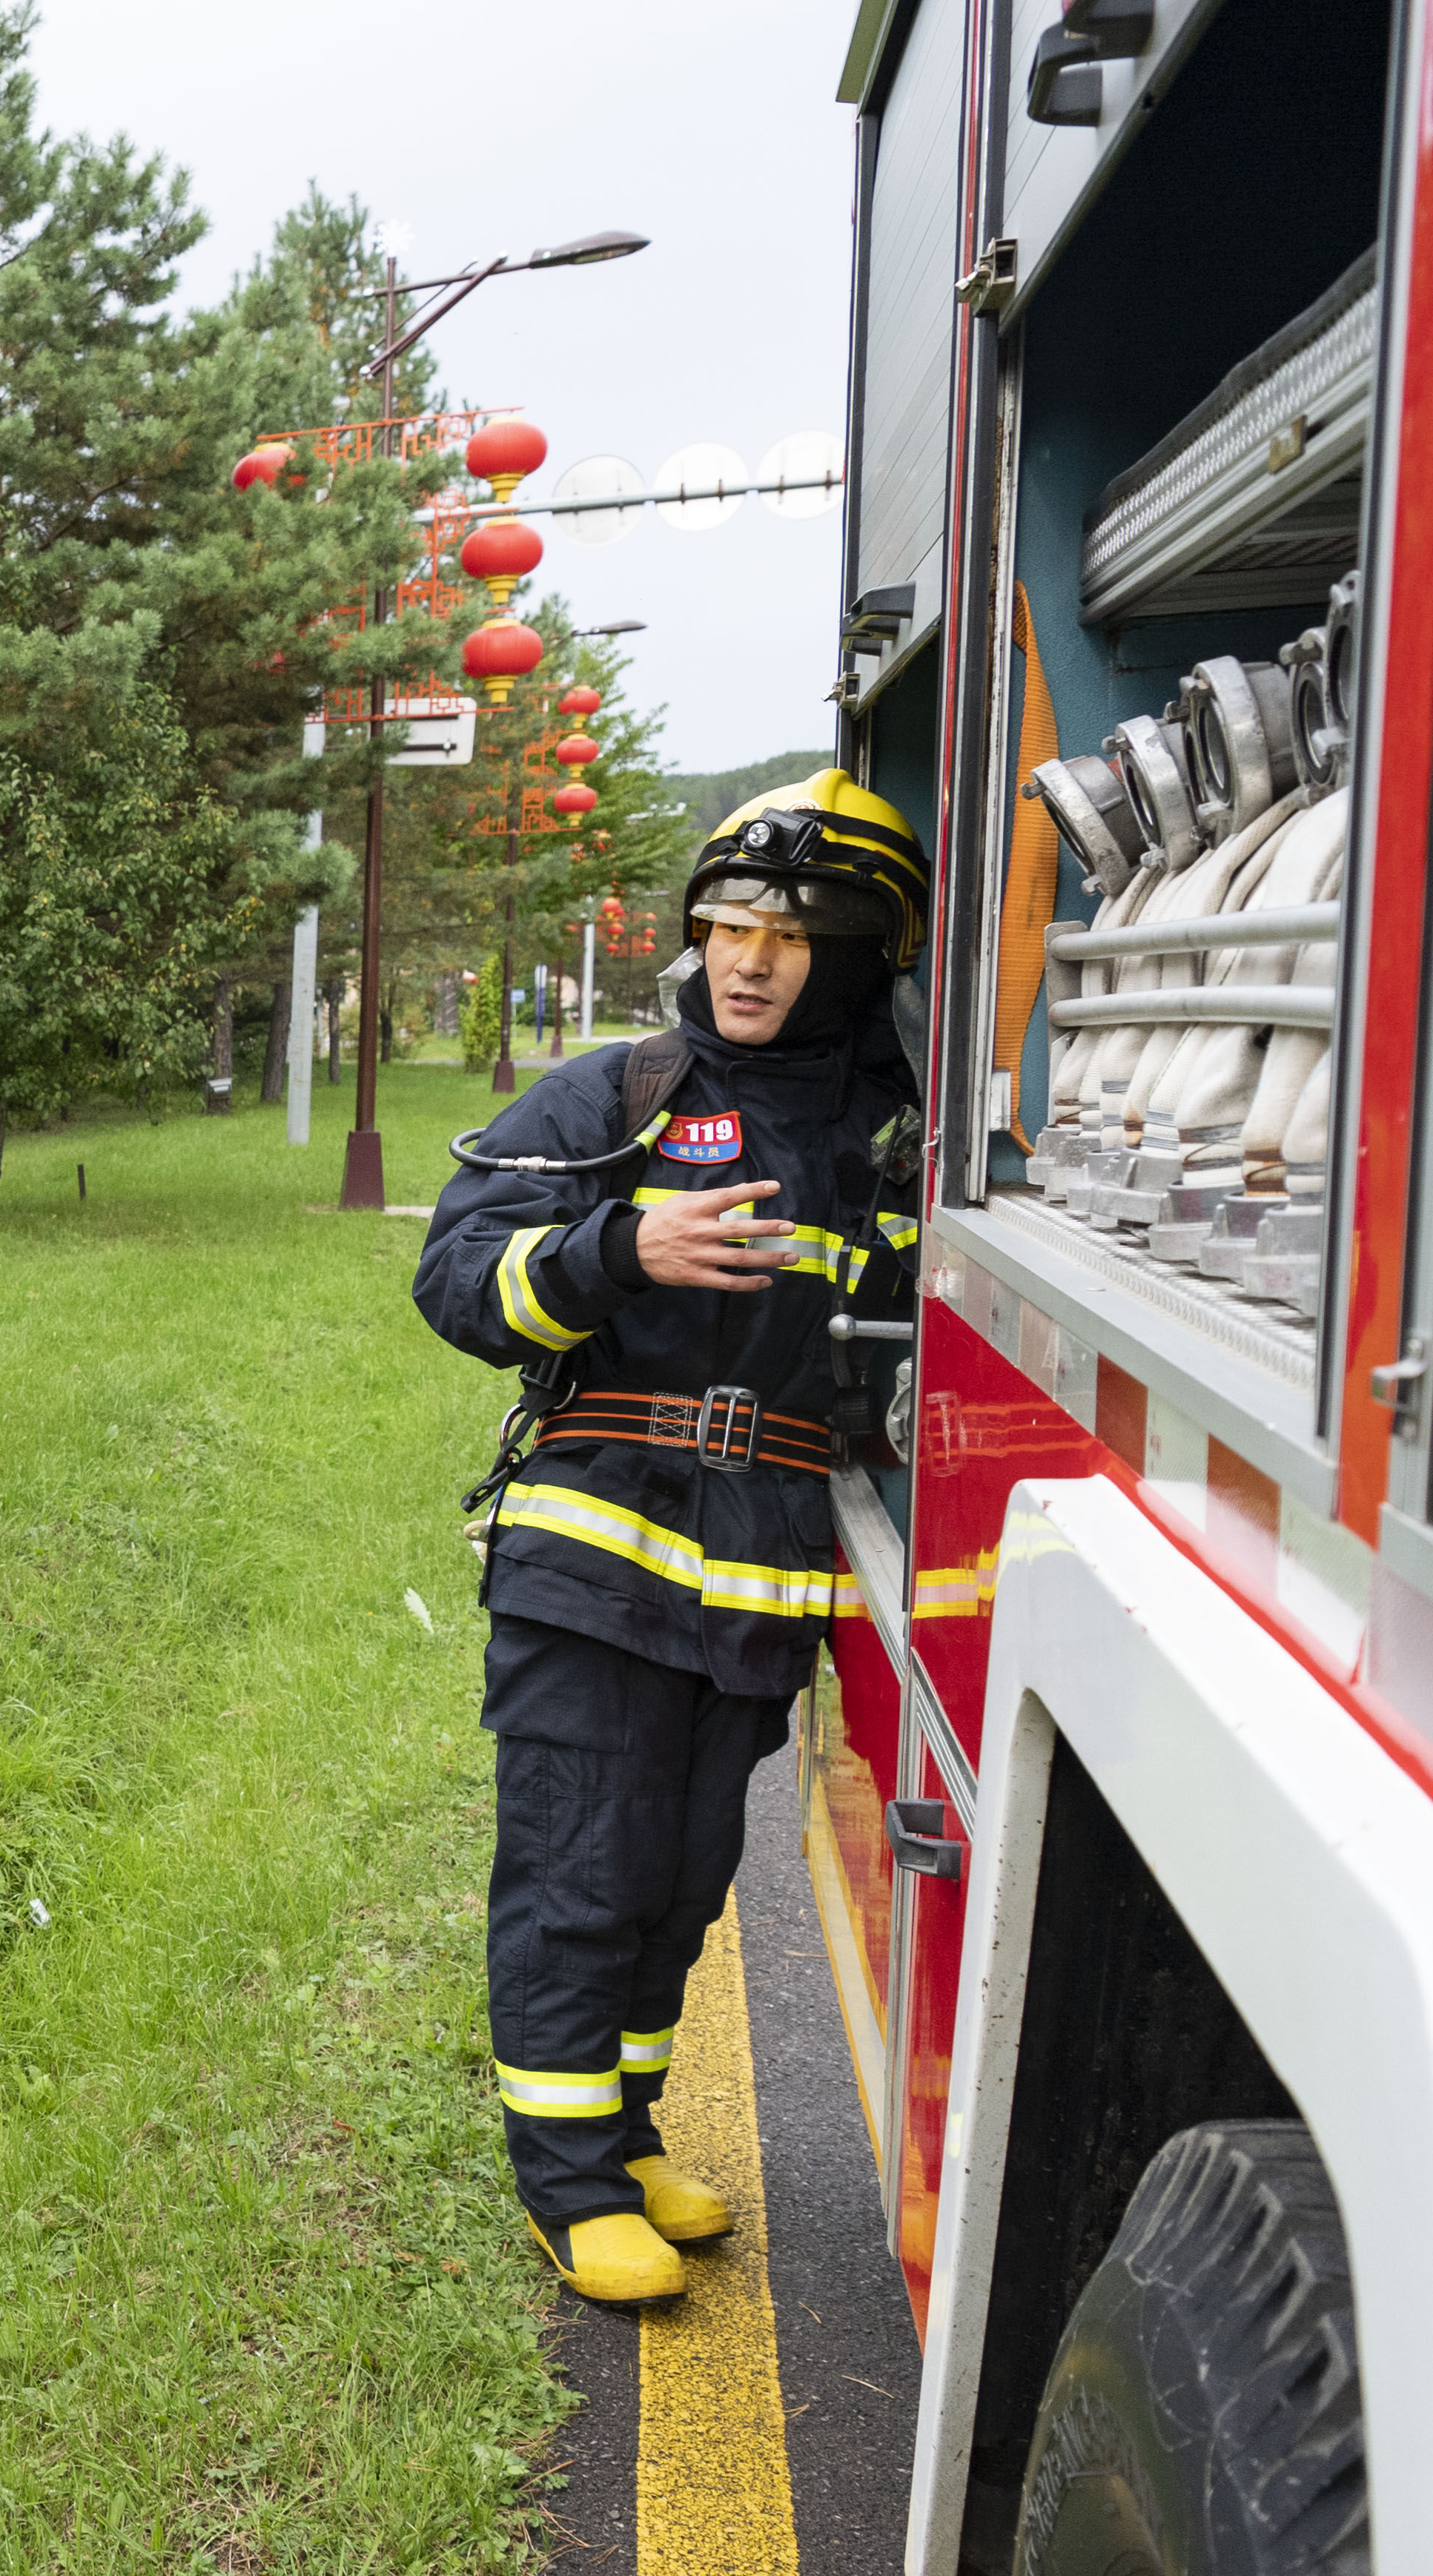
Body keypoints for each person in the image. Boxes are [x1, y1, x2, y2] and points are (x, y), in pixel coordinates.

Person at [412, 774, 927, 2306]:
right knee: (584, 1866)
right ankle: (567, 2190)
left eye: (792, 929)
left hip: (763, 1578)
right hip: (601, 1549)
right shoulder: (623, 1089)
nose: (751, 956)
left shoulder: (891, 1140)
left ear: (858, 953)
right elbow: (457, 1278)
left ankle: (618, 2137)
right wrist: (612, 1246)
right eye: (728, 923)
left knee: (681, 1880)